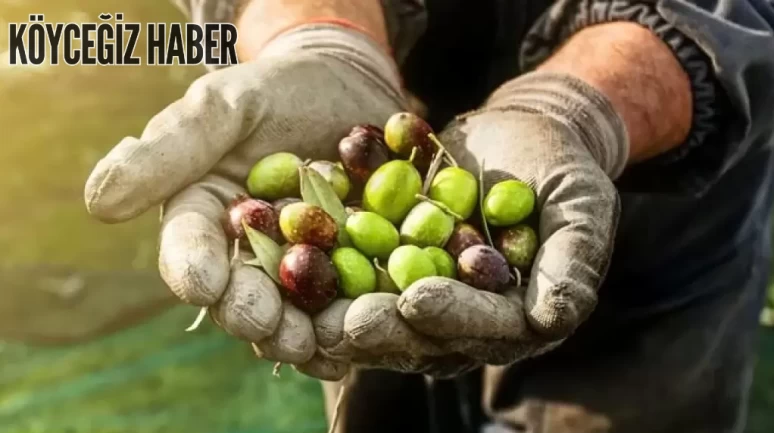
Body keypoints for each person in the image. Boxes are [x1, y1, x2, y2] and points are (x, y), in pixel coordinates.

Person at [84, 0, 774, 432]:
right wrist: (317, 31)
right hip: (385, 95)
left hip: (666, 174)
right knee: (386, 374)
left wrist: (582, 107)